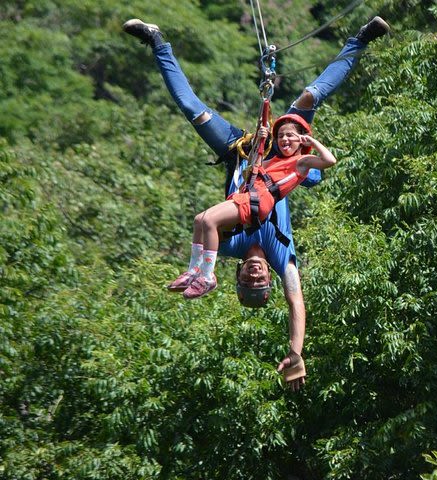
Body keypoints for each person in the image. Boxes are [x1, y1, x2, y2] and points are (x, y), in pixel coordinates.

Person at [122, 15, 389, 390]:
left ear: (238, 275)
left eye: (248, 281)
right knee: (310, 97)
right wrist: (297, 352)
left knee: (190, 106)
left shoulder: (230, 246)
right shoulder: (283, 256)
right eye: (261, 283)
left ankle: (156, 41)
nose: (256, 275)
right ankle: (361, 40)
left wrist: (199, 268)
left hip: (241, 152)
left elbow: (206, 231)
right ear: (268, 280)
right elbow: (297, 303)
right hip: (281, 154)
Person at [166, 116, 337, 300]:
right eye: (280, 136)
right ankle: (194, 270)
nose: (284, 139)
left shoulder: (302, 161)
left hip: (258, 202)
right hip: (248, 197)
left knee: (209, 221)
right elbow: (253, 166)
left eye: (290, 135)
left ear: (300, 139)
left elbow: (330, 160)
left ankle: (207, 276)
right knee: (199, 220)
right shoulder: (275, 161)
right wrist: (259, 141)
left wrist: (311, 141)